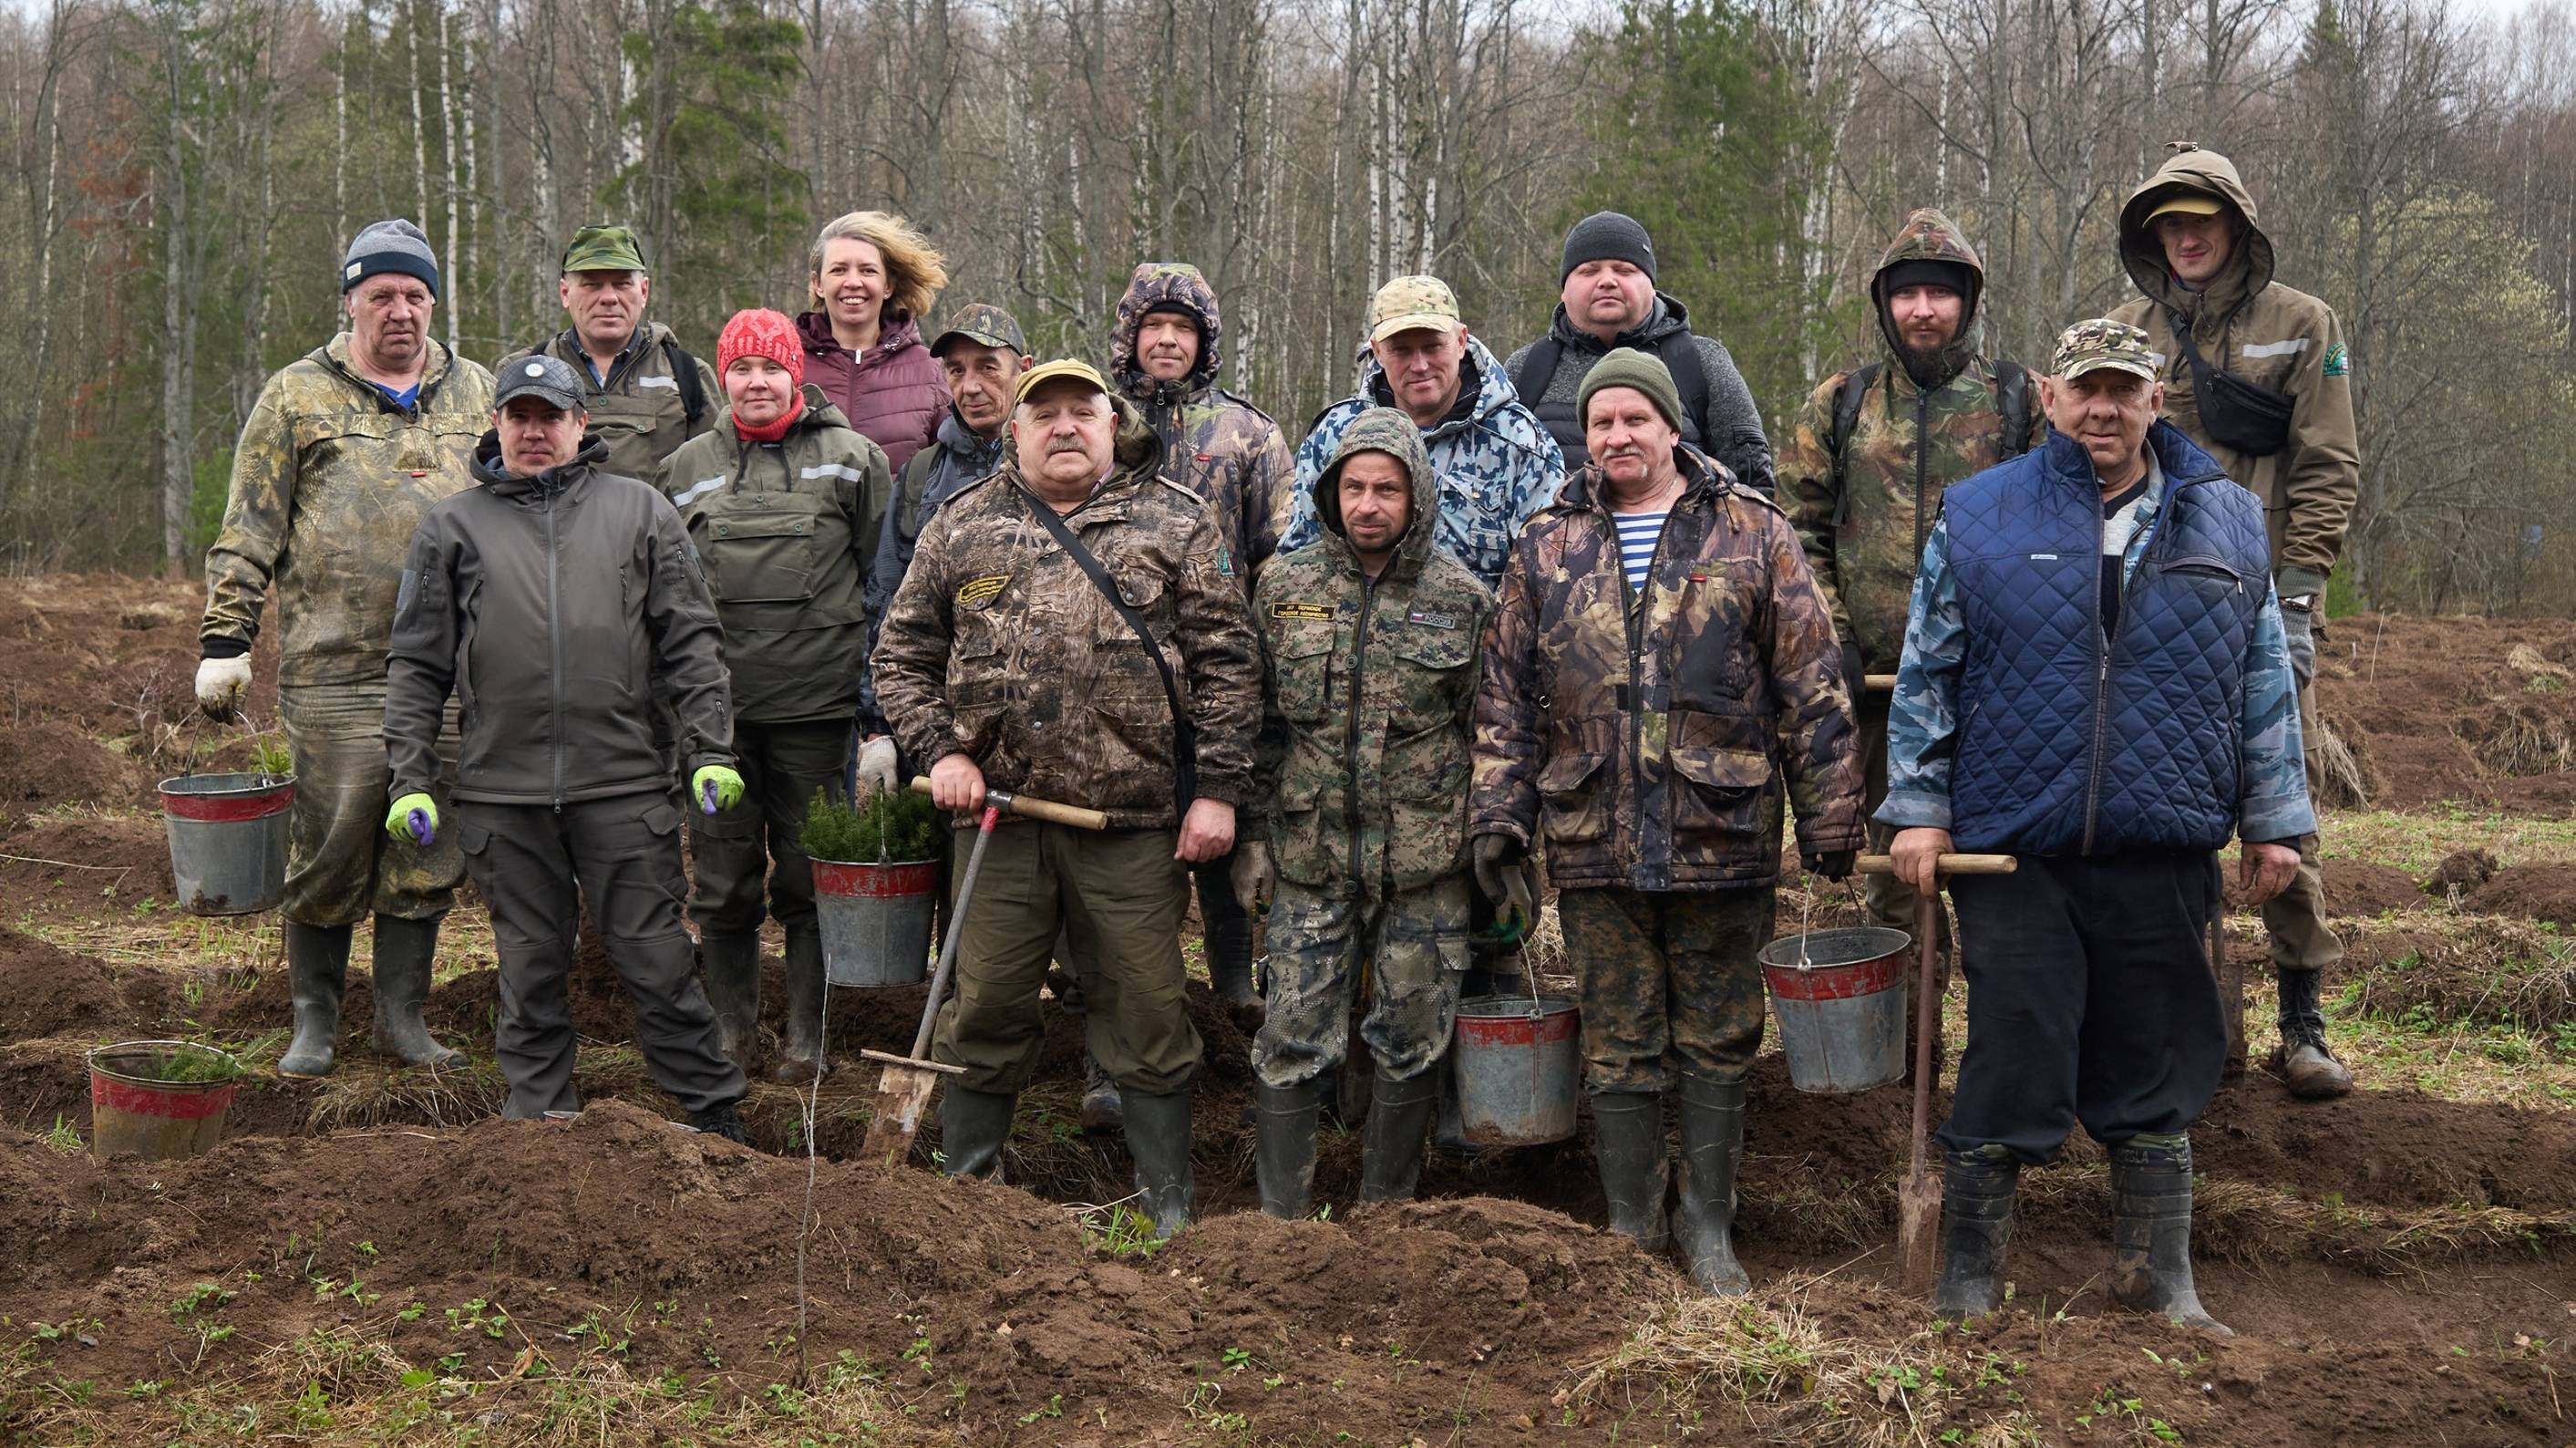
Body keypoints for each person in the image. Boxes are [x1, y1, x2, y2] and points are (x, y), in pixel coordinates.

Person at [1879, 319, 2313, 1334]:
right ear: (2048, 395)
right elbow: (1928, 669)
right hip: (2014, 841)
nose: (2103, 408)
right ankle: (1970, 1278)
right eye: (2085, 390)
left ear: (2156, 398)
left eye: (2124, 389)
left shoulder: (2229, 521)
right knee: (2015, 1044)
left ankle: (2157, 1277)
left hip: (2162, 838)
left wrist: (2276, 818)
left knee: (2157, 1052)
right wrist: (1919, 807)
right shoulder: (1980, 514)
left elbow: (2263, 683)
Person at [1468, 349, 1862, 1294]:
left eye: (1633, 420)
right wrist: (1498, 814)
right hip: (1592, 831)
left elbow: (1812, 681)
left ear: (1670, 427)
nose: (1615, 438)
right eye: (1600, 423)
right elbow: (1503, 698)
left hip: (1719, 831)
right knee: (1618, 1036)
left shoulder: (1752, 531)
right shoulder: (1548, 541)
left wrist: (1832, 816)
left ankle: (1710, 1223)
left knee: (1720, 1033)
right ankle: (1631, 1224)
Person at [871, 358, 1262, 1239]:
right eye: (1042, 412)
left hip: (1131, 827)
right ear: (1014, 431)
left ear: (1110, 423)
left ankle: (1169, 1206)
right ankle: (970, 1201)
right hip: (999, 824)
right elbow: (899, 657)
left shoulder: (1177, 522)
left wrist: (1221, 794)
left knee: (1149, 1009)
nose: (1063, 426)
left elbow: (1230, 666)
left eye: (1082, 410)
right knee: (987, 1006)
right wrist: (939, 754)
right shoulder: (960, 525)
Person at [383, 353, 752, 1140]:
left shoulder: (641, 513)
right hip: (501, 795)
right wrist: (409, 779)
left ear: (581, 425)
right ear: (498, 424)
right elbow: (416, 665)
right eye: (518, 415)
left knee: (654, 958)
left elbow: (690, 642)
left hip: (622, 784)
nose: (534, 430)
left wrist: (710, 750)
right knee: (530, 963)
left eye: (550, 416)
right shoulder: (452, 526)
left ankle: (713, 1119)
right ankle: (541, 1128)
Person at [196, 219, 492, 1081]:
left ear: (433, 302)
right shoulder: (297, 397)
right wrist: (227, 637)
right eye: (381, 297)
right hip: (336, 672)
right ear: (351, 303)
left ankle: (402, 1018)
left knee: (425, 846)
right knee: (330, 843)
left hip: (448, 675)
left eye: (415, 296)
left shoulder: (477, 393)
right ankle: (314, 1022)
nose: (400, 312)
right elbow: (249, 527)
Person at [2108, 142, 2362, 1101]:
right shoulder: (2127, 330)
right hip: (2147, 601)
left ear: (2237, 225)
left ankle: (2304, 1018)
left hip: (2259, 594)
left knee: (2277, 797)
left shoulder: (2301, 323)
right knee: (2149, 800)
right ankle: (2172, 1020)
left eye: (2202, 218)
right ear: (2152, 235)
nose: (2187, 235)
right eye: (2170, 221)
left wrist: (2297, 589)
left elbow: (2328, 463)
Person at [1782, 208, 2042, 1023]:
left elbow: (2055, 527)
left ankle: (2003, 1052)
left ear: (1967, 301)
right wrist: (1837, 638)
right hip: (1878, 688)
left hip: (1999, 689)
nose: (1923, 309)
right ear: (1884, 305)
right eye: (1907, 295)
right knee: (1899, 873)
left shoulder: (2017, 398)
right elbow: (1797, 530)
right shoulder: (1843, 402)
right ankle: (1903, 1052)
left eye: (1940, 292)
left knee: (2002, 874)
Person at [1238, 408, 1494, 1217]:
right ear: (1330, 492)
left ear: (1417, 496)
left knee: (1413, 1035)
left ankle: (1387, 1215)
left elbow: (1490, 730)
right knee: (1292, 1034)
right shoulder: (1284, 588)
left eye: (1388, 488)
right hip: (1311, 857)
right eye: (1355, 487)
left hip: (1427, 858)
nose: (1370, 504)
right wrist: (1252, 835)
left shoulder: (1464, 599)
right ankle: (1282, 1222)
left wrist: (1500, 843)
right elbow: (1258, 724)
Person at [655, 308, 893, 1084]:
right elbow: (666, 592)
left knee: (809, 876)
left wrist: (871, 706)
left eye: (772, 368)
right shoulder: (686, 466)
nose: (757, 383)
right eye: (742, 369)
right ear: (723, 378)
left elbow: (881, 583)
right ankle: (730, 1031)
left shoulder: (854, 460)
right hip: (717, 724)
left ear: (798, 373)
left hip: (816, 715)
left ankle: (806, 1038)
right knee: (721, 884)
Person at [1108, 262, 1296, 1023]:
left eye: (1182, 329)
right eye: (1153, 326)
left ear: (1204, 341)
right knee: (1131, 846)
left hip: (1221, 667)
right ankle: (1122, 1004)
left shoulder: (1249, 434)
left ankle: (1234, 987)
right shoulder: (1098, 420)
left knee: (1227, 826)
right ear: (1131, 334)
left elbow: (1280, 555)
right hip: (1121, 667)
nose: (1166, 340)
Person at [1282, 274, 1565, 589]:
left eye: (1432, 347)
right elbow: (1298, 559)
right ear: (1376, 351)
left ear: (1460, 341)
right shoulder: (1334, 434)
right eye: (1401, 351)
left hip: (1477, 632)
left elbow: (1544, 580)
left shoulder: (1519, 442)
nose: (1420, 365)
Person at [1507, 212, 1774, 493]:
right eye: (1589, 270)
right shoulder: (1526, 369)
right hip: (1553, 537)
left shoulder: (1700, 362)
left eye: (1624, 270)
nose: (1607, 281)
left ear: (1652, 285)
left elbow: (1753, 483)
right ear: (1564, 289)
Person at [496, 224, 718, 484]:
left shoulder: (687, 375)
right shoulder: (521, 374)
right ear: (565, 293)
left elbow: (711, 481)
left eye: (622, 284)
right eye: (592, 285)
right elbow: (494, 477)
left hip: (655, 525)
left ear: (644, 292)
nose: (609, 297)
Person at [797, 211, 951, 475]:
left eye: (868, 270)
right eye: (838, 270)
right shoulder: (788, 369)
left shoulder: (931, 372)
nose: (853, 282)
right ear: (818, 284)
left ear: (888, 285)